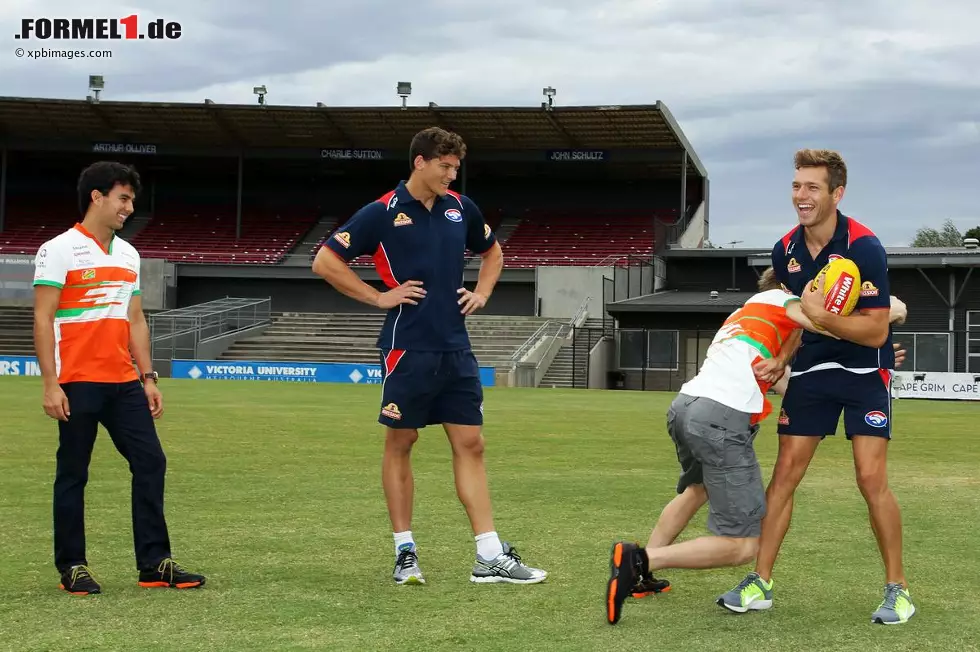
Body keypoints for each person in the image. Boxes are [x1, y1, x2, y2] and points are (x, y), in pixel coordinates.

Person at [605, 267, 907, 625]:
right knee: (742, 545)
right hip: (719, 416)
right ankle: (640, 561)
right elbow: (839, 320)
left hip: (686, 405)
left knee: (696, 490)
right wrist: (880, 322)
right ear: (790, 287)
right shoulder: (783, 301)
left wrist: (870, 360)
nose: (816, 286)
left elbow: (785, 383)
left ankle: (642, 575)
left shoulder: (749, 311)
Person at [312, 127, 547, 586]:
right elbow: (325, 261)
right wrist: (379, 297)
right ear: (419, 162)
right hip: (407, 347)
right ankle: (405, 552)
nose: (451, 174)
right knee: (402, 443)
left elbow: (494, 251)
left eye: (456, 167)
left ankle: (489, 555)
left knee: (472, 444)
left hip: (456, 347)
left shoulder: (462, 209)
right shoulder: (380, 213)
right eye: (444, 166)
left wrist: (482, 291)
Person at [718, 149, 914, 625]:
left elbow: (876, 331)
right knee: (784, 476)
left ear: (836, 193)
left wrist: (825, 317)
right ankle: (760, 582)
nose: (801, 197)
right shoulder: (784, 250)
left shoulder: (865, 247)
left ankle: (898, 590)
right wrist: (782, 358)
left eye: (811, 188)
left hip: (867, 373)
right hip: (811, 373)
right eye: (796, 186)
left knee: (870, 480)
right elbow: (799, 322)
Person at [33, 161, 206, 596]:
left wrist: (148, 377)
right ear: (97, 196)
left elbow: (135, 319)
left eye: (131, 200)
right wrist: (50, 383)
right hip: (76, 380)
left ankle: (154, 563)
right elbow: (42, 316)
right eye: (123, 198)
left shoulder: (129, 253)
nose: (129, 207)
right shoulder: (59, 249)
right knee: (73, 472)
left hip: (124, 381)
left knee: (151, 462)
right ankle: (72, 565)